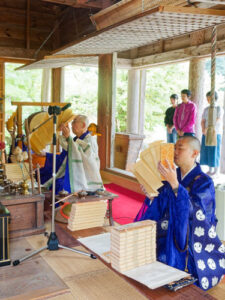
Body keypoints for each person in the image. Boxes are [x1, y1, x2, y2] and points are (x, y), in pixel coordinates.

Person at [135, 136, 225, 291]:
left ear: (194, 153)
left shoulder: (204, 181)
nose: (175, 152)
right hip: (168, 231)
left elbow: (199, 213)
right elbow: (161, 204)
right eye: (174, 147)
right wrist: (152, 197)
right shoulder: (170, 175)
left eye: (180, 148)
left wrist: (176, 185)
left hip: (192, 238)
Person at [40, 114, 103, 194]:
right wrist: (46, 155)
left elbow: (84, 158)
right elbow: (64, 157)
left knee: (60, 184)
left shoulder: (90, 140)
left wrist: (68, 137)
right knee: (43, 173)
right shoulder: (76, 139)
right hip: (73, 171)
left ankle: (59, 205)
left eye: (74, 122)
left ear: (83, 125)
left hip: (84, 176)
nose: (71, 124)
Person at [200, 91, 223, 176]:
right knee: (207, 150)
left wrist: (208, 128)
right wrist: (203, 129)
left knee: (215, 151)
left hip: (215, 133)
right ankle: (210, 170)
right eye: (207, 98)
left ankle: (216, 171)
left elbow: (218, 119)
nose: (207, 100)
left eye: (209, 98)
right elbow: (203, 121)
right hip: (205, 132)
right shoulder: (206, 109)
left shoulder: (219, 108)